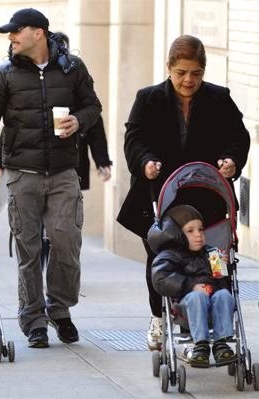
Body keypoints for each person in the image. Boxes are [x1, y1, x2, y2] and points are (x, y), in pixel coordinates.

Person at [0, 8, 101, 348]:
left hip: (63, 173)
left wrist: (78, 120)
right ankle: (33, 320)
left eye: (16, 31)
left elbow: (93, 107)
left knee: (66, 242)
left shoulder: (73, 69)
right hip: (22, 174)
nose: (11, 37)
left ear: (38, 33)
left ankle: (59, 310)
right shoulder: (4, 74)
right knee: (28, 248)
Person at [117, 34, 249, 351]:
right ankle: (159, 317)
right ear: (169, 68)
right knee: (161, 260)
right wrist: (145, 161)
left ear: (203, 71)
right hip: (161, 196)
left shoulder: (219, 98)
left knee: (213, 261)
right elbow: (134, 139)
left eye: (196, 73)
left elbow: (238, 137)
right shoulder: (148, 98)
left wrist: (231, 161)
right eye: (181, 73)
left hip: (206, 199)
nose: (188, 80)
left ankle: (216, 323)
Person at [0, 31, 112, 190]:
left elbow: (94, 121)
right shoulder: (29, 79)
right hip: (33, 165)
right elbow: (13, 122)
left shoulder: (74, 77)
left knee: (67, 208)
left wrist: (102, 160)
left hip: (70, 159)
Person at [150, 205, 236, 366]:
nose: (198, 235)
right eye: (190, 231)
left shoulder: (211, 253)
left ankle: (221, 343)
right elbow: (161, 278)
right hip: (185, 310)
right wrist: (191, 286)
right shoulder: (169, 256)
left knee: (224, 295)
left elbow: (221, 280)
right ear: (177, 235)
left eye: (201, 230)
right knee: (198, 296)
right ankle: (201, 345)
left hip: (214, 308)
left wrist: (224, 267)